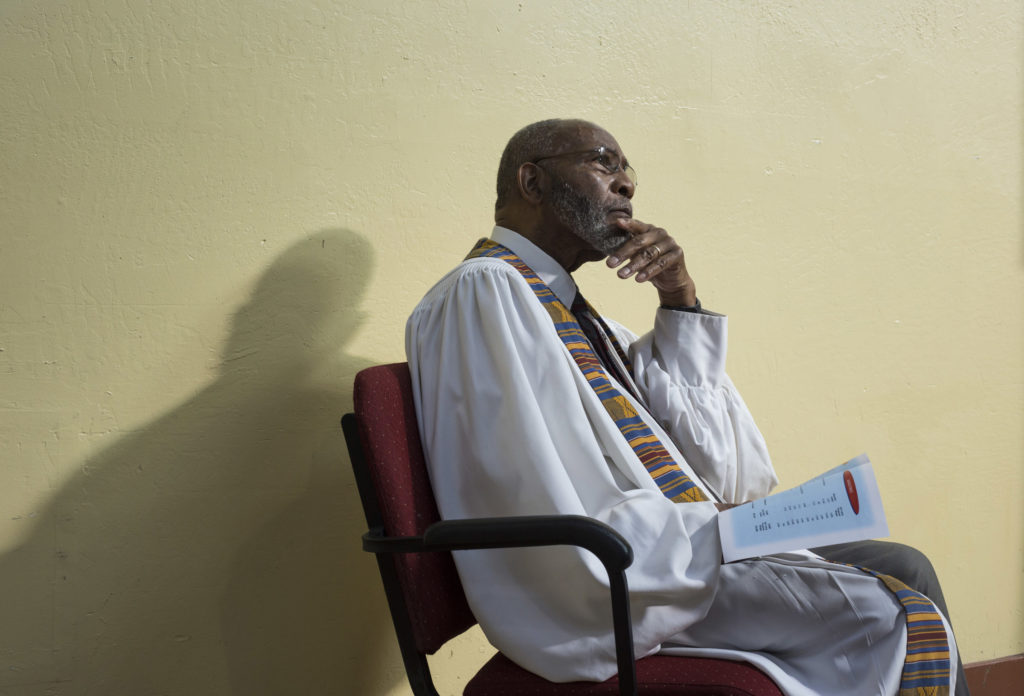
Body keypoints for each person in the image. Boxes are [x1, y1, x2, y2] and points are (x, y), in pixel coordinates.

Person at [406, 118, 965, 695]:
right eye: (604, 162)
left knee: (907, 566)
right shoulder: (485, 292)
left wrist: (679, 296)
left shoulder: (579, 319)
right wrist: (712, 529)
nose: (625, 185)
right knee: (890, 608)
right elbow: (534, 486)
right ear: (531, 181)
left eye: (630, 174)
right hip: (607, 579)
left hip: (662, 547)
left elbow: (725, 469)